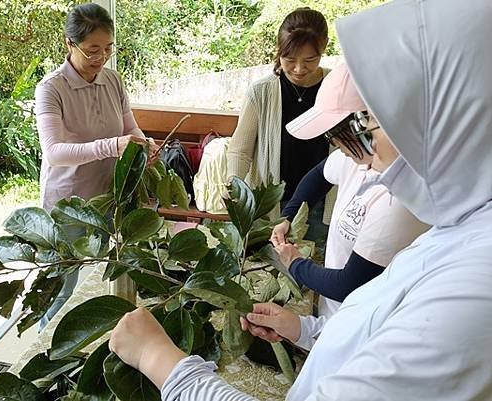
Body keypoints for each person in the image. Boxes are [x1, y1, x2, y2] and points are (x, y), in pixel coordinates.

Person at [109, 1, 492, 399]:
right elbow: (371, 332)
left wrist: (161, 361)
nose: (368, 156)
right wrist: (303, 329)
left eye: (371, 126)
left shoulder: (473, 289)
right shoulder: (454, 235)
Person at [262, 63, 429, 351]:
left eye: (337, 134)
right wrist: (287, 218)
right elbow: (317, 177)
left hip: (365, 332)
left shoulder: (399, 197)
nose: (336, 143)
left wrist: (295, 264)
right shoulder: (355, 159)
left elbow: (349, 283)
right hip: (333, 319)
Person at [35, 3, 157, 326]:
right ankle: (43, 352)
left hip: (106, 200)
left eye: (107, 49)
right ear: (68, 44)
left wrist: (144, 144)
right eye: (92, 51)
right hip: (68, 205)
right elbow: (55, 152)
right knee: (61, 288)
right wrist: (112, 146)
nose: (100, 58)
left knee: (96, 281)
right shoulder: (51, 89)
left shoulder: (113, 81)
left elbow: (130, 128)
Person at [227, 7, 331, 239]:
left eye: (310, 60)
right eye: (289, 59)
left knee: (316, 264)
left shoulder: (336, 86)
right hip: (273, 200)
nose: (298, 69)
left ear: (324, 48)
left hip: (323, 201)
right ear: (279, 52)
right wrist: (234, 189)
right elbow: (240, 150)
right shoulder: (262, 92)